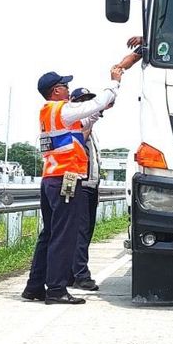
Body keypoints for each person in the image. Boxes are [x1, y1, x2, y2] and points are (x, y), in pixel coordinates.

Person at [21, 65, 122, 304]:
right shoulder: (63, 110)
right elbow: (95, 104)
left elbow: (90, 116)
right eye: (65, 86)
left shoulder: (50, 113)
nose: (68, 89)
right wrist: (115, 81)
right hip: (67, 180)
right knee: (64, 236)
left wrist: (102, 108)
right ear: (56, 90)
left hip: (50, 179)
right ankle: (56, 290)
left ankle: (34, 286)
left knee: (49, 234)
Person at [69, 87, 103, 291]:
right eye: (82, 101)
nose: (86, 105)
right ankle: (80, 274)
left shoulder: (89, 127)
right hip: (79, 183)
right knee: (80, 231)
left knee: (87, 230)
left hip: (90, 183)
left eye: (89, 101)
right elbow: (78, 139)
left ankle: (74, 272)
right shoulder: (73, 125)